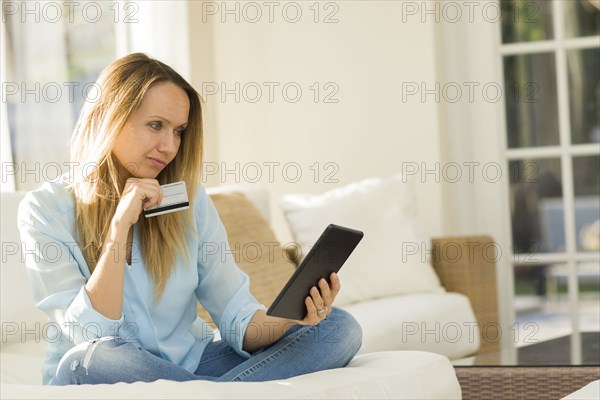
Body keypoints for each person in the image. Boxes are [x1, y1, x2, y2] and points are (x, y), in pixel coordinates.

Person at [17, 53, 362, 385]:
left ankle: (206, 394)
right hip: (106, 372)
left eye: (179, 131)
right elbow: (91, 335)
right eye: (156, 126)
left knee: (338, 329)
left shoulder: (189, 200)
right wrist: (120, 228)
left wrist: (290, 316)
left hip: (190, 367)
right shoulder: (45, 210)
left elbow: (237, 318)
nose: (169, 146)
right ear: (111, 118)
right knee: (90, 359)